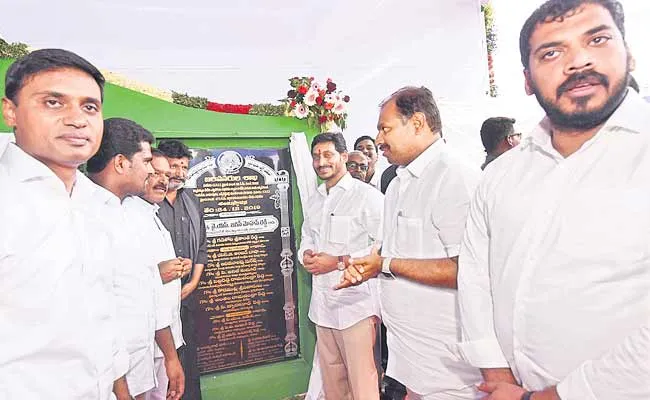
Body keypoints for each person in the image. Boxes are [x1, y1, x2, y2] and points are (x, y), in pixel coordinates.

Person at [457, 1, 650, 399]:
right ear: (527, 79)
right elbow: (475, 279)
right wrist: (498, 375)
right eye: (552, 52)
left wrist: (552, 397)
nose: (578, 61)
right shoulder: (501, 175)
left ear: (628, 54)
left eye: (596, 39)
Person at [0, 49, 129, 399]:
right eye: (53, 103)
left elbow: (103, 312)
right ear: (10, 110)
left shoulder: (98, 203)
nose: (77, 119)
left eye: (90, 107)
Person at [338, 86, 482, 399]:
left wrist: (385, 264)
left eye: (385, 129)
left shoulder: (455, 177)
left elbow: (469, 270)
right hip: (412, 359)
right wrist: (371, 264)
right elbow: (395, 250)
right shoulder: (399, 182)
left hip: (450, 367)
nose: (378, 140)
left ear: (417, 123)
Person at [87, 118, 184, 400]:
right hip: (110, 380)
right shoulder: (86, 217)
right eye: (145, 161)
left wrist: (170, 356)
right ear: (120, 163)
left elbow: (149, 292)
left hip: (139, 366)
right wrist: (121, 389)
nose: (151, 171)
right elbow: (98, 315)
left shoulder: (125, 214)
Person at [299, 132, 383, 400]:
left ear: (343, 157)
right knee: (332, 380)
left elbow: (383, 245)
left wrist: (338, 262)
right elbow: (306, 238)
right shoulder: (315, 199)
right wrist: (306, 256)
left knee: (362, 382)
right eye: (316, 156)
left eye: (327, 155)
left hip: (355, 306)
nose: (321, 161)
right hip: (323, 306)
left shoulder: (366, 196)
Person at [123, 149, 191, 400]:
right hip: (146, 344)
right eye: (154, 173)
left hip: (164, 339)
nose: (162, 179)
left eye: (166, 173)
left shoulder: (151, 214)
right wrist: (156, 274)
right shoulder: (127, 216)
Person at [157, 139, 207, 400]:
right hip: (156, 298)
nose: (179, 172)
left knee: (187, 359)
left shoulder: (192, 201)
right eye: (173, 166)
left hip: (187, 297)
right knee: (161, 364)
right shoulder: (147, 203)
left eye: (184, 166)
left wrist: (192, 283)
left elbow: (202, 247)